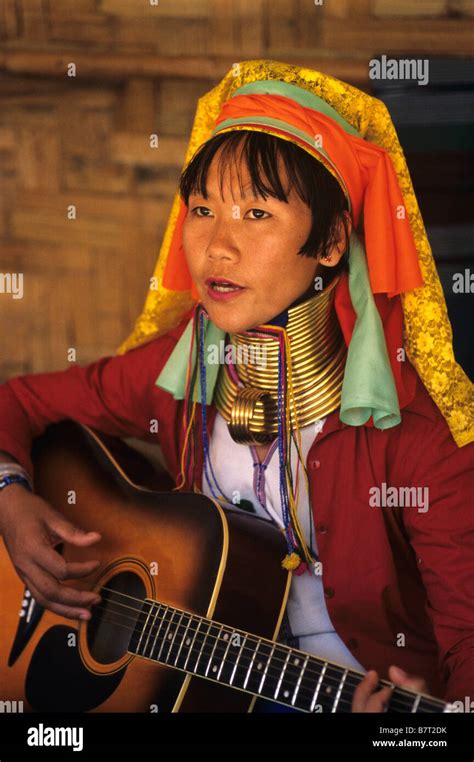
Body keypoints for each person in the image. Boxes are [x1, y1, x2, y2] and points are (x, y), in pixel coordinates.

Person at [0, 61, 472, 714]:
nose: (217, 246)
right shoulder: (183, 370)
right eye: (202, 209)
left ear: (332, 239)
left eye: (255, 212)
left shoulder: (423, 436)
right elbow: (17, 402)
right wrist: (9, 495)